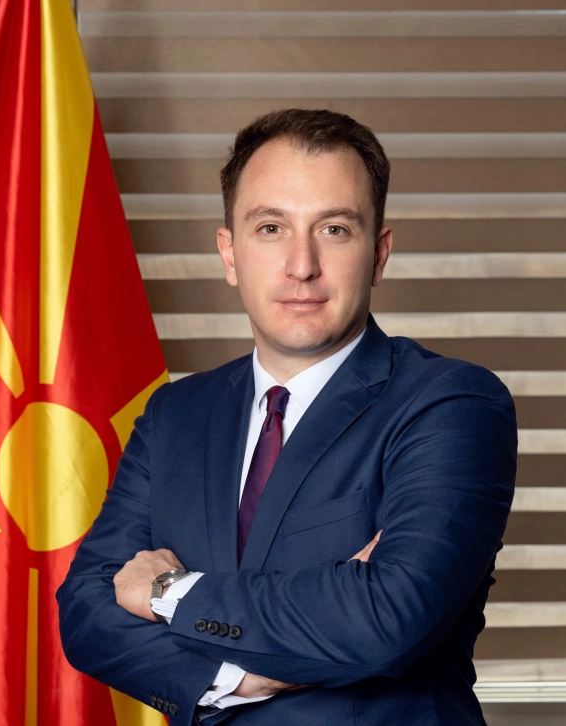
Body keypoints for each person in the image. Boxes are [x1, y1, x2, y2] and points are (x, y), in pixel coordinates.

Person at [56, 109, 517, 726]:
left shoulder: (452, 404)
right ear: (229, 253)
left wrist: (169, 592)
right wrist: (239, 677)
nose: (302, 264)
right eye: (271, 227)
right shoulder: (176, 414)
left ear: (379, 254)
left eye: (334, 229)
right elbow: (87, 609)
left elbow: (387, 618)